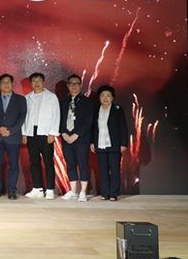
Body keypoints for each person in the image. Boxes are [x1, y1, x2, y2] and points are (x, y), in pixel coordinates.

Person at [22, 72, 60, 200]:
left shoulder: (51, 97)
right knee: (34, 161)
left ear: (43, 82)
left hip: (45, 132)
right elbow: (24, 117)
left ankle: (50, 189)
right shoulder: (27, 98)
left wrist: (52, 133)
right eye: (34, 81)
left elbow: (56, 115)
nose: (36, 83)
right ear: (31, 83)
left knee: (48, 161)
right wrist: (24, 133)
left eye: (39, 80)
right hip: (31, 132)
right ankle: (38, 188)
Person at [0, 74, 26, 200]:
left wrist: (11, 130)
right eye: (3, 82)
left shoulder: (20, 99)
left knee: (14, 165)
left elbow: (22, 117)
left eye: (9, 82)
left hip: (13, 137)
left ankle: (12, 191)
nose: (6, 84)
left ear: (12, 84)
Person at [90, 85, 128, 201]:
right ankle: (105, 193)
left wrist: (124, 143)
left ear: (112, 97)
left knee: (115, 169)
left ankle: (113, 194)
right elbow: (93, 128)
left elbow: (123, 127)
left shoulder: (117, 109)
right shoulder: (96, 110)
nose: (105, 98)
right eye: (102, 96)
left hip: (114, 144)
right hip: (100, 144)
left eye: (108, 96)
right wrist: (92, 142)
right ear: (99, 98)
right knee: (103, 170)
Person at [59, 74, 94, 202]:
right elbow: (58, 119)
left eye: (77, 83)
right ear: (68, 86)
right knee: (70, 164)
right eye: (71, 84)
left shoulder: (87, 102)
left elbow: (88, 121)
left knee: (83, 164)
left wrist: (76, 135)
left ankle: (83, 192)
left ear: (81, 85)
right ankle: (73, 191)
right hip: (66, 138)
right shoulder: (63, 102)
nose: (74, 86)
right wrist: (63, 133)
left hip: (81, 139)